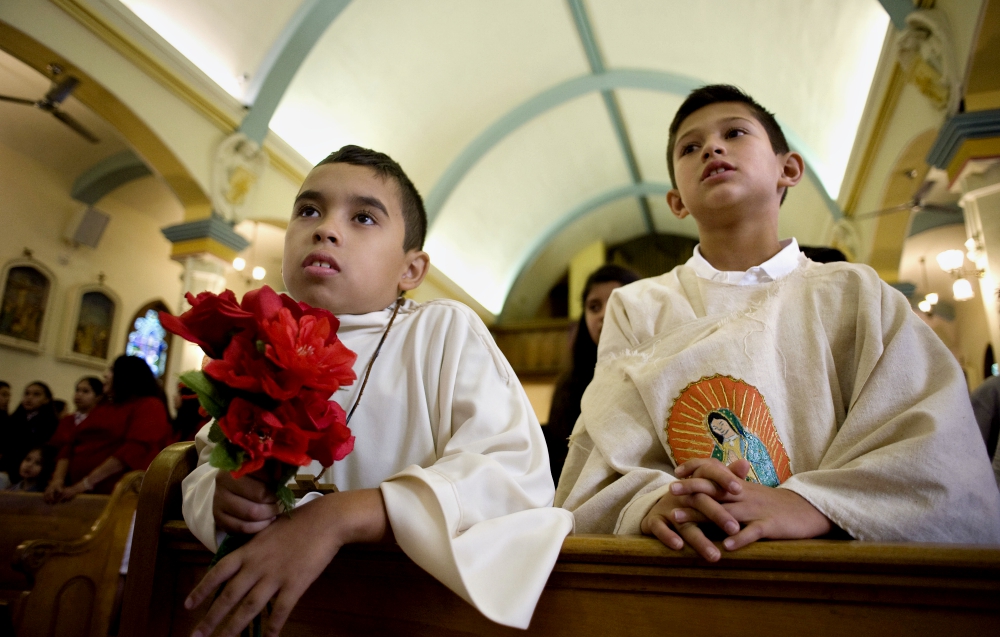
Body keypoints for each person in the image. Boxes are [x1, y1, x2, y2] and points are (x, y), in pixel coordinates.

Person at [555, 85, 1000, 562]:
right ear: (676, 201)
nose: (712, 148)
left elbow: (934, 445)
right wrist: (653, 501)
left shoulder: (855, 292)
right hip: (687, 567)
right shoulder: (637, 305)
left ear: (787, 169)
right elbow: (607, 450)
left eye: (735, 132)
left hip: (840, 570)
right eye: (690, 147)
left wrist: (814, 503)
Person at [181, 145, 574, 636]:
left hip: (401, 610)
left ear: (411, 270)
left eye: (363, 217)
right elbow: (202, 465)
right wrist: (222, 497)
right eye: (309, 210)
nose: (325, 228)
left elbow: (513, 471)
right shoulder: (259, 342)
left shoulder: (441, 330)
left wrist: (343, 514)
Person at [546, 264, 639, 481]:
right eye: (594, 307)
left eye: (617, 302)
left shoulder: (661, 369)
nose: (605, 314)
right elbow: (562, 459)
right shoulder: (569, 386)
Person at [45, 356, 171, 502]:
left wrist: (85, 484)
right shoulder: (105, 406)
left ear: (126, 375)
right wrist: (57, 481)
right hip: (76, 491)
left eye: (111, 370)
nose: (105, 375)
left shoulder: (149, 405)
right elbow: (70, 445)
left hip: (115, 495)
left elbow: (132, 452)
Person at [1, 381, 58, 478]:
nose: (29, 397)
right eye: (27, 393)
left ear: (46, 399)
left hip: (32, 473)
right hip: (6, 470)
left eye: (36, 394)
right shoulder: (12, 420)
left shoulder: (51, 423)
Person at [48, 377, 104, 451]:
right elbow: (54, 444)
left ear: (98, 397)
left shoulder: (101, 420)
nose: (79, 394)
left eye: (85, 391)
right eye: (77, 390)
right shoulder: (67, 419)